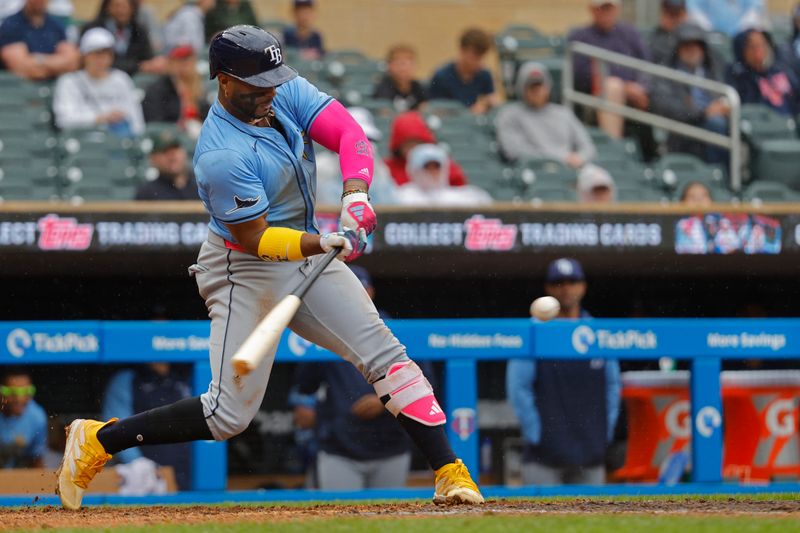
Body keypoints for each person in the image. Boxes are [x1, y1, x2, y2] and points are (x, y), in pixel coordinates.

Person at [57, 26, 483, 510]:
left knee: (386, 355)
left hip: (308, 254)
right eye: (256, 84)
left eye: (273, 80)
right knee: (226, 416)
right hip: (244, 267)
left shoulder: (281, 89)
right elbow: (254, 238)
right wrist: (322, 239)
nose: (269, 92)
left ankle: (450, 472)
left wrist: (356, 194)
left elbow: (348, 134)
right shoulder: (220, 155)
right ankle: (98, 440)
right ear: (222, 80)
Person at [290, 266, 417, 490]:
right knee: (338, 521)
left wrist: (384, 401)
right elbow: (304, 387)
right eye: (346, 290)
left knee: (391, 521)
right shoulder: (322, 331)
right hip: (339, 449)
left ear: (371, 292)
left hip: (390, 446)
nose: (353, 295)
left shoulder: (395, 330)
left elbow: (422, 383)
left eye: (360, 289)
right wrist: (310, 411)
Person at [506, 258, 621, 486]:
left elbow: (613, 387)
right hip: (544, 458)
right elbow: (518, 389)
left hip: (591, 455)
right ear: (548, 289)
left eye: (573, 281)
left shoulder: (597, 331)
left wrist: (603, 435)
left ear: (583, 286)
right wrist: (537, 436)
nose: (566, 288)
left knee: (593, 521)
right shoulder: (534, 331)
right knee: (539, 521)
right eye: (558, 282)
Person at [101, 363, 193, 490]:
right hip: (146, 477)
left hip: (187, 471)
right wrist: (139, 464)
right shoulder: (127, 379)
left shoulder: (187, 375)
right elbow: (115, 429)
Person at [568, 0, 651, 140]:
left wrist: (642, 88)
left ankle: (656, 154)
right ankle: (614, 147)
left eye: (610, 8)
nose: (606, 13)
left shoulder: (630, 33)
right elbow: (582, 76)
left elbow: (647, 65)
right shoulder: (581, 37)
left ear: (618, 9)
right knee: (612, 87)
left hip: (636, 97)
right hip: (595, 99)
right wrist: (624, 87)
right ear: (592, 10)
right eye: (602, 8)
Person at [652, 23, 729, 164]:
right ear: (678, 48)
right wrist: (703, 113)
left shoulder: (713, 68)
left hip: (716, 125)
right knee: (715, 124)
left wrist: (724, 107)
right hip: (683, 130)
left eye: (696, 45)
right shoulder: (667, 73)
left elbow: (728, 96)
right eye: (686, 45)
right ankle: (718, 172)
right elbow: (665, 105)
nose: (691, 50)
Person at [496, 61, 596, 167]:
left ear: (548, 87)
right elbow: (514, 151)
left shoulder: (563, 113)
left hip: (569, 170)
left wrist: (580, 157)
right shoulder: (510, 114)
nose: (537, 91)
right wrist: (560, 158)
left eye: (540, 85)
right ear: (522, 89)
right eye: (532, 86)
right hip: (534, 171)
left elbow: (588, 147)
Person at [52, 27, 145, 137]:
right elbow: (63, 120)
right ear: (84, 56)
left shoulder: (121, 79)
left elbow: (136, 121)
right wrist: (99, 118)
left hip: (117, 141)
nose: (101, 59)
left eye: (106, 53)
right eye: (96, 54)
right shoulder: (69, 82)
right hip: (83, 141)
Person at [316, 106, 398, 205]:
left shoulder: (380, 167)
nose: (362, 144)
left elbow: (390, 205)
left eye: (368, 139)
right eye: (354, 138)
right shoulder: (320, 166)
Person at [0, 0, 79, 81]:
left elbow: (72, 63)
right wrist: (57, 66)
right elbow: (21, 67)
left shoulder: (56, 25)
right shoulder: (11, 25)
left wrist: (38, 61)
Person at [728, 28, 800, 117]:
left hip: (792, 123)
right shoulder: (739, 77)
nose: (759, 50)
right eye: (753, 46)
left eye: (762, 44)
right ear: (742, 50)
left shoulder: (779, 69)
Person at [385, 111, 468, 187]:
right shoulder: (387, 169)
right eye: (407, 145)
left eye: (417, 143)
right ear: (398, 146)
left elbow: (459, 190)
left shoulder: (440, 164)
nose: (413, 149)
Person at [142, 43, 211, 135]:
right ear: (170, 63)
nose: (185, 65)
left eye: (188, 60)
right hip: (172, 138)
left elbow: (207, 116)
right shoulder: (158, 89)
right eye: (180, 60)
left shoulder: (198, 87)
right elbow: (155, 123)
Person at [82, 0, 165, 76]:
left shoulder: (139, 30)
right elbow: (94, 60)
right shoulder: (93, 29)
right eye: (117, 6)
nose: (121, 11)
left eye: (125, 6)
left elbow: (147, 59)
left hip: (133, 77)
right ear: (107, 7)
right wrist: (137, 66)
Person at [428, 28, 499, 114]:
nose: (479, 63)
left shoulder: (484, 75)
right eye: (475, 57)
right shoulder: (441, 77)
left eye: (481, 58)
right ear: (462, 50)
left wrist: (487, 104)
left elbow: (492, 101)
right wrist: (468, 113)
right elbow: (435, 111)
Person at [396, 144, 492, 207]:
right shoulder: (402, 197)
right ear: (414, 171)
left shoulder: (464, 197)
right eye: (427, 167)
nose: (432, 172)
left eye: (436, 166)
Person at [0, 369, 47, 469]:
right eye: (12, 392)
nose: (19, 398)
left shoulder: (37, 417)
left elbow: (37, 459)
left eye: (26, 392)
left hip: (21, 467)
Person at [136, 129, 200, 200]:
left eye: (175, 150)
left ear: (184, 153)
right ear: (153, 159)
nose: (172, 156)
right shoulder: (147, 193)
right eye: (165, 152)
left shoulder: (203, 185)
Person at [373, 44, 428, 112]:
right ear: (389, 66)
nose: (403, 68)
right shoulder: (384, 87)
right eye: (399, 63)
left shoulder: (418, 87)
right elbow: (384, 113)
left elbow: (426, 109)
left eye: (409, 63)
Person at [688, 0, 765, 37]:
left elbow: (754, 10)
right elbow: (694, 9)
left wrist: (740, 32)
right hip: (711, 38)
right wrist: (709, 31)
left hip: (741, 38)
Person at [650, 0, 689, 65]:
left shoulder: (695, 38)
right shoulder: (654, 40)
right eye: (670, 14)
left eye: (677, 14)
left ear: (685, 14)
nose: (674, 19)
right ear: (662, 14)